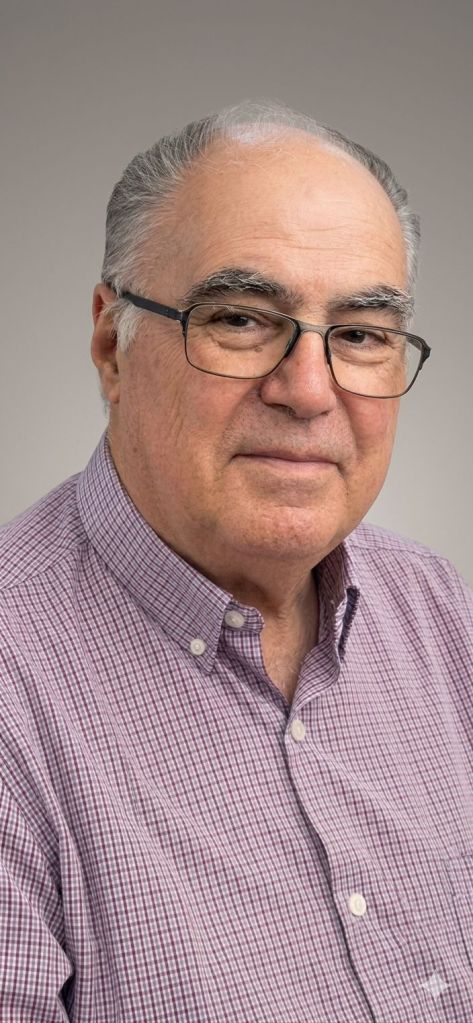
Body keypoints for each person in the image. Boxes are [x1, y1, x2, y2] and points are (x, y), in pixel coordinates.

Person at [0, 100, 472, 1023]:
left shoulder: (440, 613)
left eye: (360, 333)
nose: (308, 390)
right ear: (111, 344)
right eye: (242, 319)